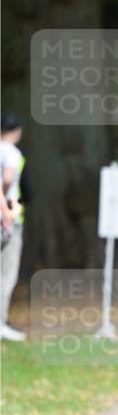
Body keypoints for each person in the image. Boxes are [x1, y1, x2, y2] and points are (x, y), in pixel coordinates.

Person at [1, 113, 28, 341]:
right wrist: (8, 209)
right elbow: (6, 180)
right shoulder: (11, 153)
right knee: (6, 273)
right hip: (7, 219)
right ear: (16, 131)